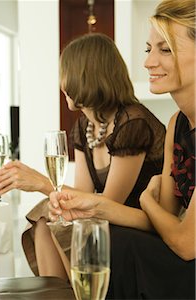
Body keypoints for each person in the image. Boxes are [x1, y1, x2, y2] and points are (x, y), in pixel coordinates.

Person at [0, 33, 166, 280]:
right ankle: (58, 294)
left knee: (60, 221)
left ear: (86, 75)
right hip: (108, 220)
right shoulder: (85, 126)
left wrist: (40, 183)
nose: (61, 82)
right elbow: (83, 190)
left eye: (65, 72)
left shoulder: (132, 122)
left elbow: (108, 203)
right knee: (45, 216)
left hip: (138, 225)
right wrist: (50, 195)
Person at [50, 0, 195, 298]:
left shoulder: (134, 122)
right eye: (148, 49)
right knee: (102, 236)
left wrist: (147, 200)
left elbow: (184, 241)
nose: (148, 62)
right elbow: (157, 222)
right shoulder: (176, 125)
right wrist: (95, 206)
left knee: (115, 243)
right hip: (179, 258)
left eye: (165, 49)